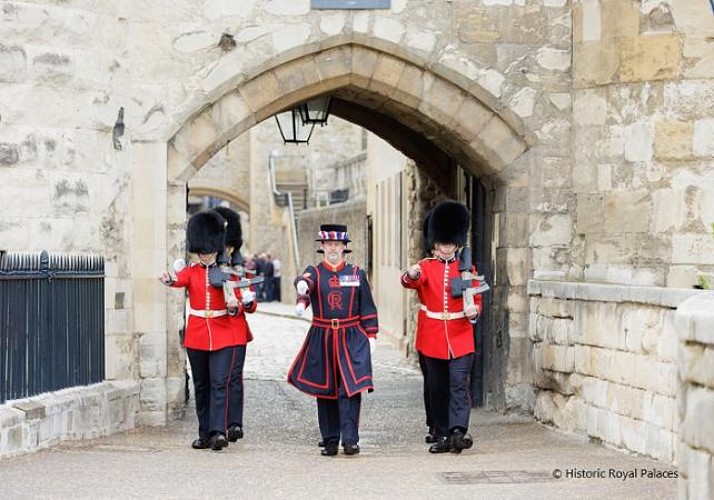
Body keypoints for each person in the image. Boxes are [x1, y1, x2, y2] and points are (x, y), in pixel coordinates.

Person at [158, 210, 251, 451]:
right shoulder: (191, 270)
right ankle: (204, 433)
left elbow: (243, 301)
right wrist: (167, 278)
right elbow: (177, 280)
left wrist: (235, 306)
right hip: (198, 334)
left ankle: (218, 432)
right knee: (201, 385)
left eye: (209, 249)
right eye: (202, 248)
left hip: (222, 334)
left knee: (220, 383)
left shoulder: (228, 272)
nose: (205, 253)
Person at [288, 224, 378, 456]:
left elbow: (366, 304)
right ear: (323, 247)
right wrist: (301, 296)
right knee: (325, 390)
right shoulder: (316, 272)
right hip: (323, 336)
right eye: (329, 245)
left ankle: (350, 440)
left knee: (351, 388)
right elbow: (305, 283)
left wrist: (372, 334)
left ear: (344, 247)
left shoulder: (357, 273)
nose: (333, 249)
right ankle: (330, 440)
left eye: (337, 244)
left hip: (351, 336)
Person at [401, 201, 483, 454]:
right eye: (442, 242)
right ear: (435, 243)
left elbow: (476, 299)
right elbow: (410, 282)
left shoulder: (468, 268)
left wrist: (473, 310)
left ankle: (458, 430)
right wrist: (412, 274)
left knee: (458, 382)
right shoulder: (425, 266)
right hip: (433, 336)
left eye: (450, 242)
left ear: (457, 242)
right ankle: (441, 432)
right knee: (436, 388)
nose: (446, 246)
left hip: (460, 335)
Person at [212, 206, 257, 443]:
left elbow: (250, 304)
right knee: (218, 379)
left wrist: (247, 303)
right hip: (217, 329)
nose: (228, 251)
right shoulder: (211, 270)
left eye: (230, 247)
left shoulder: (239, 271)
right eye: (224, 247)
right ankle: (217, 424)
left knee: (235, 378)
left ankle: (234, 423)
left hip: (237, 330)